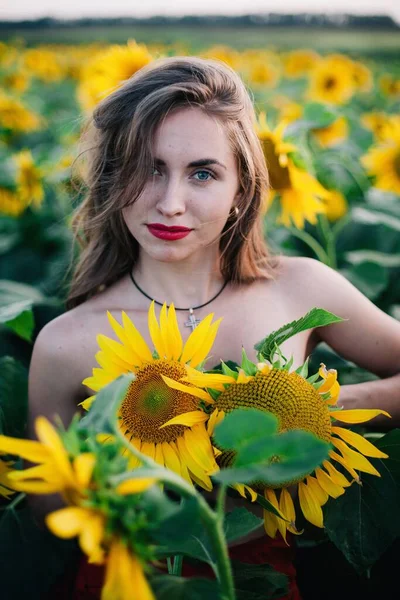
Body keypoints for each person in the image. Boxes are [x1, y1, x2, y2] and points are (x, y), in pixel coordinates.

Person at [28, 56, 400, 599]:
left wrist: (305, 412)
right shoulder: (67, 343)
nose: (170, 203)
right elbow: (52, 519)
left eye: (202, 172)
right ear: (112, 177)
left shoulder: (299, 291)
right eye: (148, 168)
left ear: (242, 187)